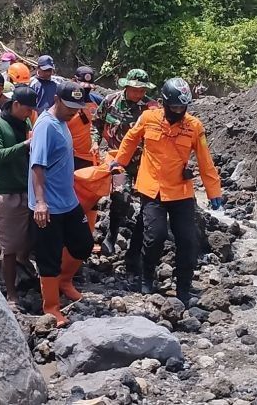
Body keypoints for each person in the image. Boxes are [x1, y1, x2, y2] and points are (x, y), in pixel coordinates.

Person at [112, 78, 223, 306]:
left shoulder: (194, 126)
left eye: (183, 107)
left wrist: (214, 192)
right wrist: (118, 163)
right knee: (155, 237)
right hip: (152, 188)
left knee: (188, 241)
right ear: (164, 103)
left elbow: (205, 161)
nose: (179, 111)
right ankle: (147, 277)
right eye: (174, 107)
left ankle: (183, 287)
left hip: (181, 191)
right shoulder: (148, 118)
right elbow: (130, 139)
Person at [30, 81, 95, 326]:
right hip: (48, 204)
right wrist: (40, 202)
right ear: (56, 100)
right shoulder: (46, 126)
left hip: (67, 199)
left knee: (83, 244)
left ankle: (65, 281)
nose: (73, 112)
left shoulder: (64, 122)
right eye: (68, 106)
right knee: (49, 255)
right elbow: (37, 166)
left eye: (76, 108)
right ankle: (51, 306)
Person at [92, 68, 159, 264]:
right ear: (126, 86)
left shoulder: (152, 108)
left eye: (142, 91)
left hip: (143, 162)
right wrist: (95, 141)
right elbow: (96, 122)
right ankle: (112, 234)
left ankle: (136, 249)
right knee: (120, 197)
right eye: (135, 90)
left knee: (148, 203)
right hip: (118, 161)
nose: (138, 94)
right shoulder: (111, 101)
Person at [0, 85, 38, 309]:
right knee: (8, 245)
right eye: (27, 109)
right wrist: (25, 145)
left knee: (30, 237)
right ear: (15, 104)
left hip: (26, 188)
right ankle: (11, 292)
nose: (29, 114)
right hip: (4, 190)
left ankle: (24, 266)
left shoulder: (24, 123)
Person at [66, 66, 99, 170]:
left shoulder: (96, 101)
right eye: (83, 88)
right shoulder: (65, 103)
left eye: (88, 88)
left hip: (91, 157)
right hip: (71, 156)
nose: (86, 90)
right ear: (74, 81)